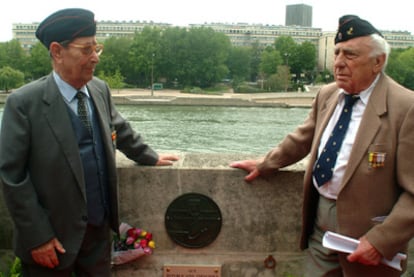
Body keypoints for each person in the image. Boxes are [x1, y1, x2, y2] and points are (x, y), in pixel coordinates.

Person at [231, 15, 414, 276]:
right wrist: (266, 163)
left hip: (369, 236)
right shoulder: (328, 94)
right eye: (337, 53)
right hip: (321, 228)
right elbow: (302, 138)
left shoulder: (406, 108)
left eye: (350, 55)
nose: (338, 63)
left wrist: (381, 241)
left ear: (378, 62)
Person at [0, 8, 178, 276]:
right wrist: (38, 237)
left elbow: (119, 129)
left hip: (97, 236)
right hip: (51, 243)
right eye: (85, 50)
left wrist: (149, 156)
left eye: (96, 48)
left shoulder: (99, 89)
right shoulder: (24, 103)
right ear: (57, 51)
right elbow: (12, 176)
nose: (95, 57)